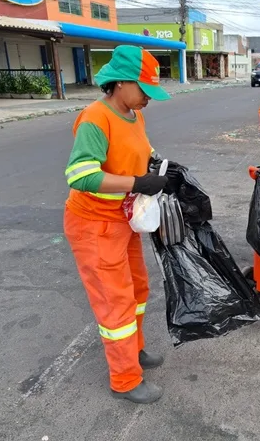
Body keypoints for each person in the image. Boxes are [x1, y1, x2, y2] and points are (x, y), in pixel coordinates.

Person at [63, 45, 170, 404]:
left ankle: (133, 351)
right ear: (121, 82)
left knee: (138, 290)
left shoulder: (134, 115)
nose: (148, 100)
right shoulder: (96, 118)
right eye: (144, 90)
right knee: (115, 301)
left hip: (122, 220)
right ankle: (124, 379)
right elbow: (80, 175)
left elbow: (141, 150)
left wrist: (159, 166)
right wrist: (136, 184)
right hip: (93, 224)